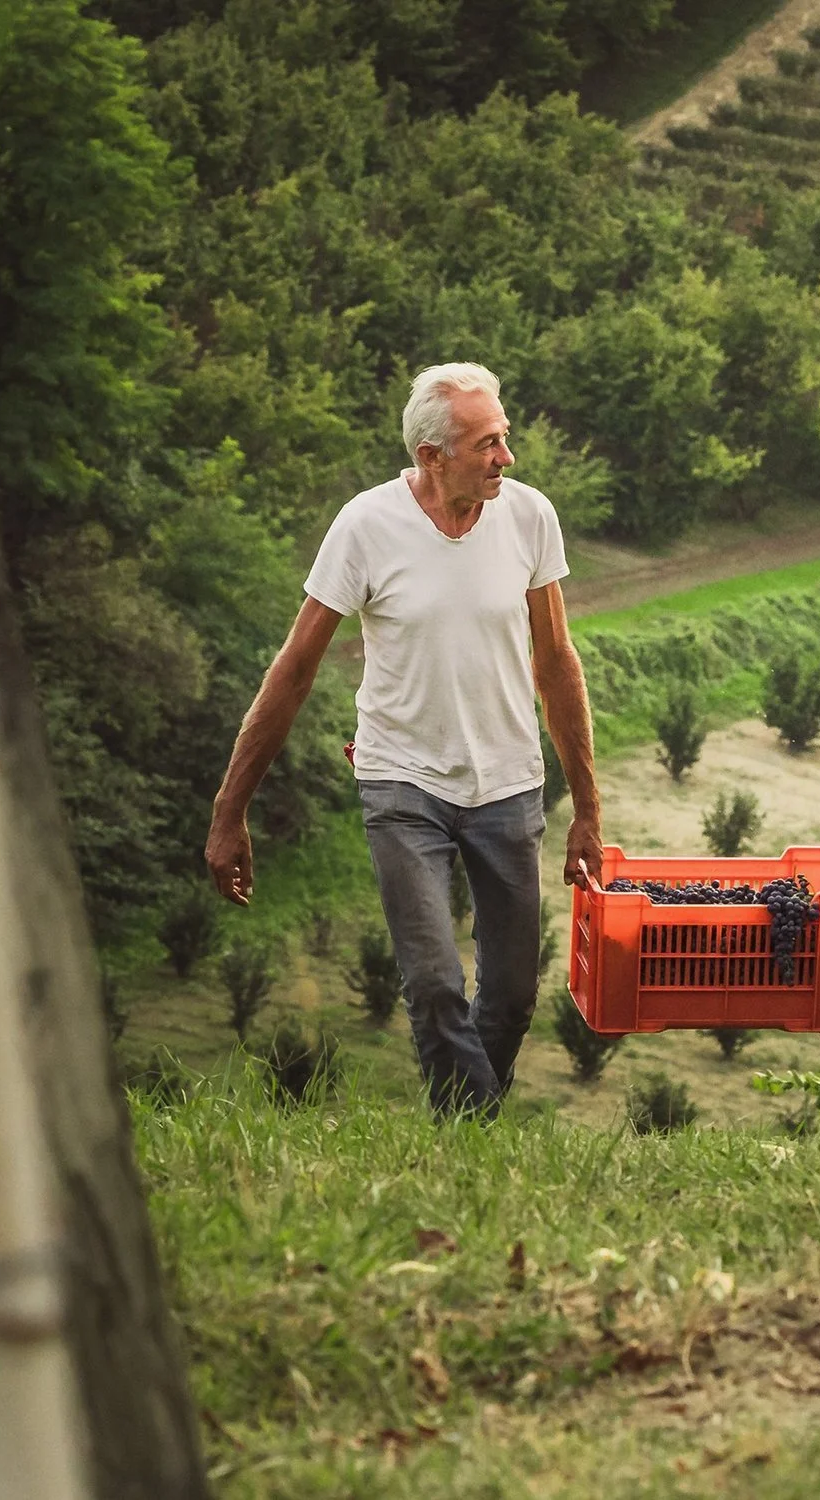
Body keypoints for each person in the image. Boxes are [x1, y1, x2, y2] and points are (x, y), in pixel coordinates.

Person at [205, 362, 603, 1116]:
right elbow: (295, 669)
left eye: (505, 438)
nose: (506, 459)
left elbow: (555, 662)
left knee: (514, 992)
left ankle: (463, 1126)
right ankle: (471, 1141)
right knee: (432, 984)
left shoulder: (529, 518)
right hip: (403, 779)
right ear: (432, 455)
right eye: (488, 444)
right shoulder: (366, 525)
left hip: (508, 781)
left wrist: (588, 805)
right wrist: (231, 810)